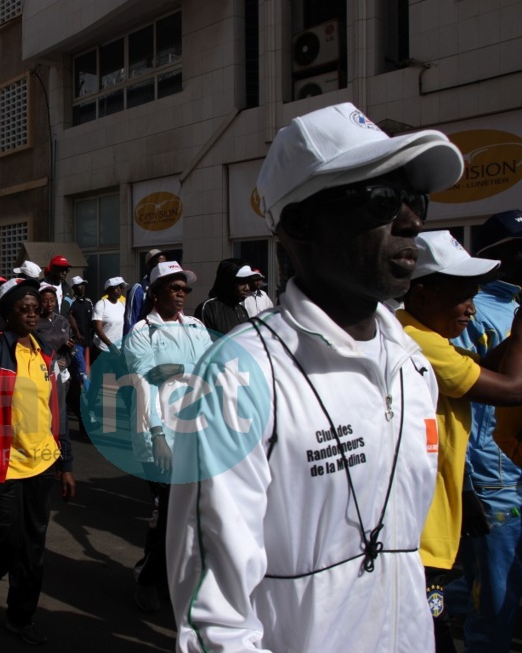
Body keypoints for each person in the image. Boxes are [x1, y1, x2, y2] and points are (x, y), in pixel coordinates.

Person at [167, 102, 464, 651]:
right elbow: (215, 621)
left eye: (414, 200)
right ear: (298, 223)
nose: (412, 221)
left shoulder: (413, 367)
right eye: (380, 200)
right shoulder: (241, 375)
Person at [399, 230, 522, 651]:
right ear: (420, 293)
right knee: (430, 633)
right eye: (461, 296)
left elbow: (481, 369)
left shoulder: (425, 336)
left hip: (434, 522)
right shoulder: (417, 341)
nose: (471, 309)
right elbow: (511, 388)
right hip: (419, 531)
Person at [0, 278, 75, 646]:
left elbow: (56, 412)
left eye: (34, 307)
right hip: (3, 468)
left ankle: (20, 616)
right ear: (6, 315)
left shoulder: (46, 353)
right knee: (6, 541)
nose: (32, 313)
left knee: (33, 548)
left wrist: (67, 464)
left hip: (42, 466)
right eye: (22, 309)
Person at [450, 210, 522, 652]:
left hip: (516, 463)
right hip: (494, 475)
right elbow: (460, 394)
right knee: (495, 595)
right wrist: (467, 480)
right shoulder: (469, 308)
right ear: (501, 257)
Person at [122, 261, 212, 613]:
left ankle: (173, 577)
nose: (181, 294)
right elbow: (146, 383)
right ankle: (149, 579)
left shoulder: (195, 326)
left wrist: (180, 370)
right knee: (171, 512)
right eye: (174, 288)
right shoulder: (142, 333)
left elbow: (211, 369)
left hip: (196, 432)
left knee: (193, 513)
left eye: (185, 289)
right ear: (155, 292)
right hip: (160, 435)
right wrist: (158, 434)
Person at [34, 282, 74, 443]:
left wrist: (66, 357)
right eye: (45, 300)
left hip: (63, 375)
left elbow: (70, 346)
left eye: (52, 300)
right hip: (45, 373)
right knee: (46, 411)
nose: (49, 304)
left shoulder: (62, 321)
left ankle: (61, 445)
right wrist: (53, 363)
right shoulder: (35, 323)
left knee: (60, 412)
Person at [196, 259, 253, 336]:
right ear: (228, 281)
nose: (247, 288)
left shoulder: (242, 310)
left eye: (249, 282)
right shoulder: (209, 308)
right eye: (242, 282)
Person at [125, 249, 168, 336]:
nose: (162, 267)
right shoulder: (138, 289)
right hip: (143, 341)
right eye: (158, 264)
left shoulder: (169, 287)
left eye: (165, 264)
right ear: (148, 266)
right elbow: (130, 320)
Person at [92, 277, 127, 358]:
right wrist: (110, 345)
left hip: (118, 349)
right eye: (117, 287)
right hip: (102, 349)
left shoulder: (122, 305)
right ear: (108, 290)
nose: (120, 289)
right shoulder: (101, 305)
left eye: (122, 287)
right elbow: (98, 329)